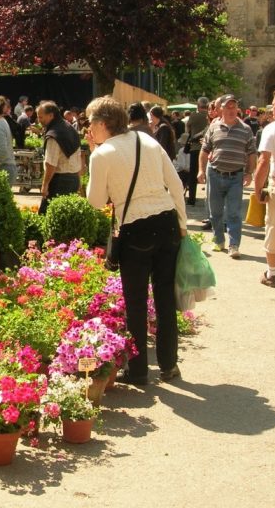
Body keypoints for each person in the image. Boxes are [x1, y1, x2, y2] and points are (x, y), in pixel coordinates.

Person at [85, 96, 186, 385]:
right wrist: (181, 225)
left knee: (136, 302)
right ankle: (169, 365)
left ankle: (139, 370)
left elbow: (95, 201)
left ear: (103, 123)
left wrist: (94, 153)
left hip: (135, 229)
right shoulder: (149, 141)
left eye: (90, 122)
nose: (88, 127)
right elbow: (176, 184)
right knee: (165, 297)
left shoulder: (101, 154)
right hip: (166, 222)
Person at [198, 94, 257, 258]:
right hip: (215, 175)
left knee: (234, 213)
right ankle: (218, 240)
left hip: (236, 177)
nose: (232, 110)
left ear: (238, 109)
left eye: (234, 107)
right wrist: (201, 170)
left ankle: (234, 245)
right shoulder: (213, 127)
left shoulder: (245, 129)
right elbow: (205, 150)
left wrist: (249, 173)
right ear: (221, 109)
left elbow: (252, 153)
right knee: (215, 212)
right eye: (228, 107)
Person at [37, 100, 81, 214]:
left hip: (60, 181)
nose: (39, 120)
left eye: (41, 117)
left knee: (47, 217)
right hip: (73, 179)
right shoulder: (68, 127)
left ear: (51, 115)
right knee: (67, 218)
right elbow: (79, 156)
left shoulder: (54, 134)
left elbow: (50, 163)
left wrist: (45, 184)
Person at [254, 90, 275, 287]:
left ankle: (271, 274)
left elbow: (263, 161)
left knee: (274, 227)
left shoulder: (272, 129)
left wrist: (258, 189)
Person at [184, 97, 209, 206]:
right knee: (209, 173)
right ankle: (209, 200)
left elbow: (188, 128)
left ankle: (192, 199)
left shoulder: (194, 116)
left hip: (195, 147)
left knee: (193, 173)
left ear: (198, 106)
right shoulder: (210, 116)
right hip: (208, 148)